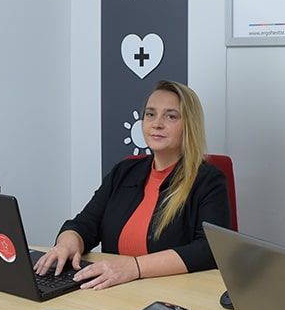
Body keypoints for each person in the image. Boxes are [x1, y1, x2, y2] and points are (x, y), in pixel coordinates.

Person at [35, 80, 231, 289]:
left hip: (172, 294)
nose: (157, 124)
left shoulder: (208, 180)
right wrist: (67, 243)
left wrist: (134, 267)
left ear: (189, 125)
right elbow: (84, 224)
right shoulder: (124, 171)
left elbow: (209, 249)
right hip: (113, 290)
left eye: (171, 116)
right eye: (150, 114)